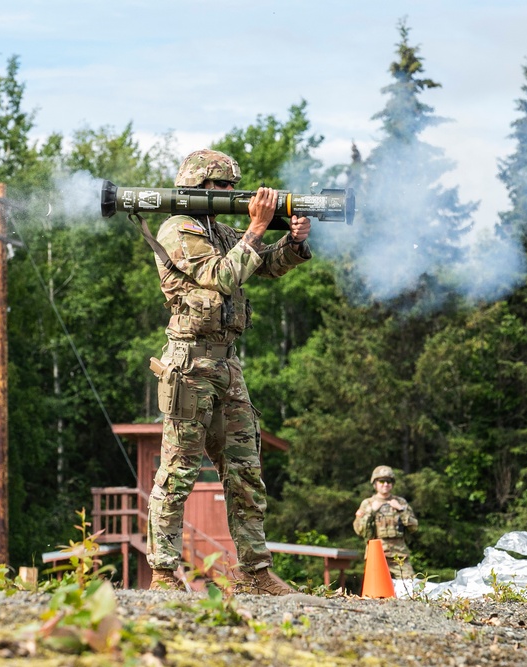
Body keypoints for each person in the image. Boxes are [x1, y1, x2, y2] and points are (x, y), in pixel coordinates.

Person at [145, 149, 312, 595]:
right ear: (195, 187)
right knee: (179, 470)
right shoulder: (178, 230)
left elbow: (262, 265)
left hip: (226, 363)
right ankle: (163, 573)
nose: (227, 193)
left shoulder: (218, 230)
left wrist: (291, 243)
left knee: (245, 469)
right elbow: (223, 276)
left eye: (228, 185)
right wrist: (257, 228)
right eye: (217, 186)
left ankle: (255, 573)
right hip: (190, 364)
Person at [353, 465, 419, 578]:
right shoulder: (367, 504)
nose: (385, 484)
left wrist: (401, 510)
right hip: (377, 555)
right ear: (375, 484)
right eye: (381, 481)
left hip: (399, 555)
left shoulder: (400, 502)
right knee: (376, 591)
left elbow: (414, 527)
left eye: (388, 481)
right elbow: (360, 530)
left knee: (409, 588)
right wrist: (371, 511)